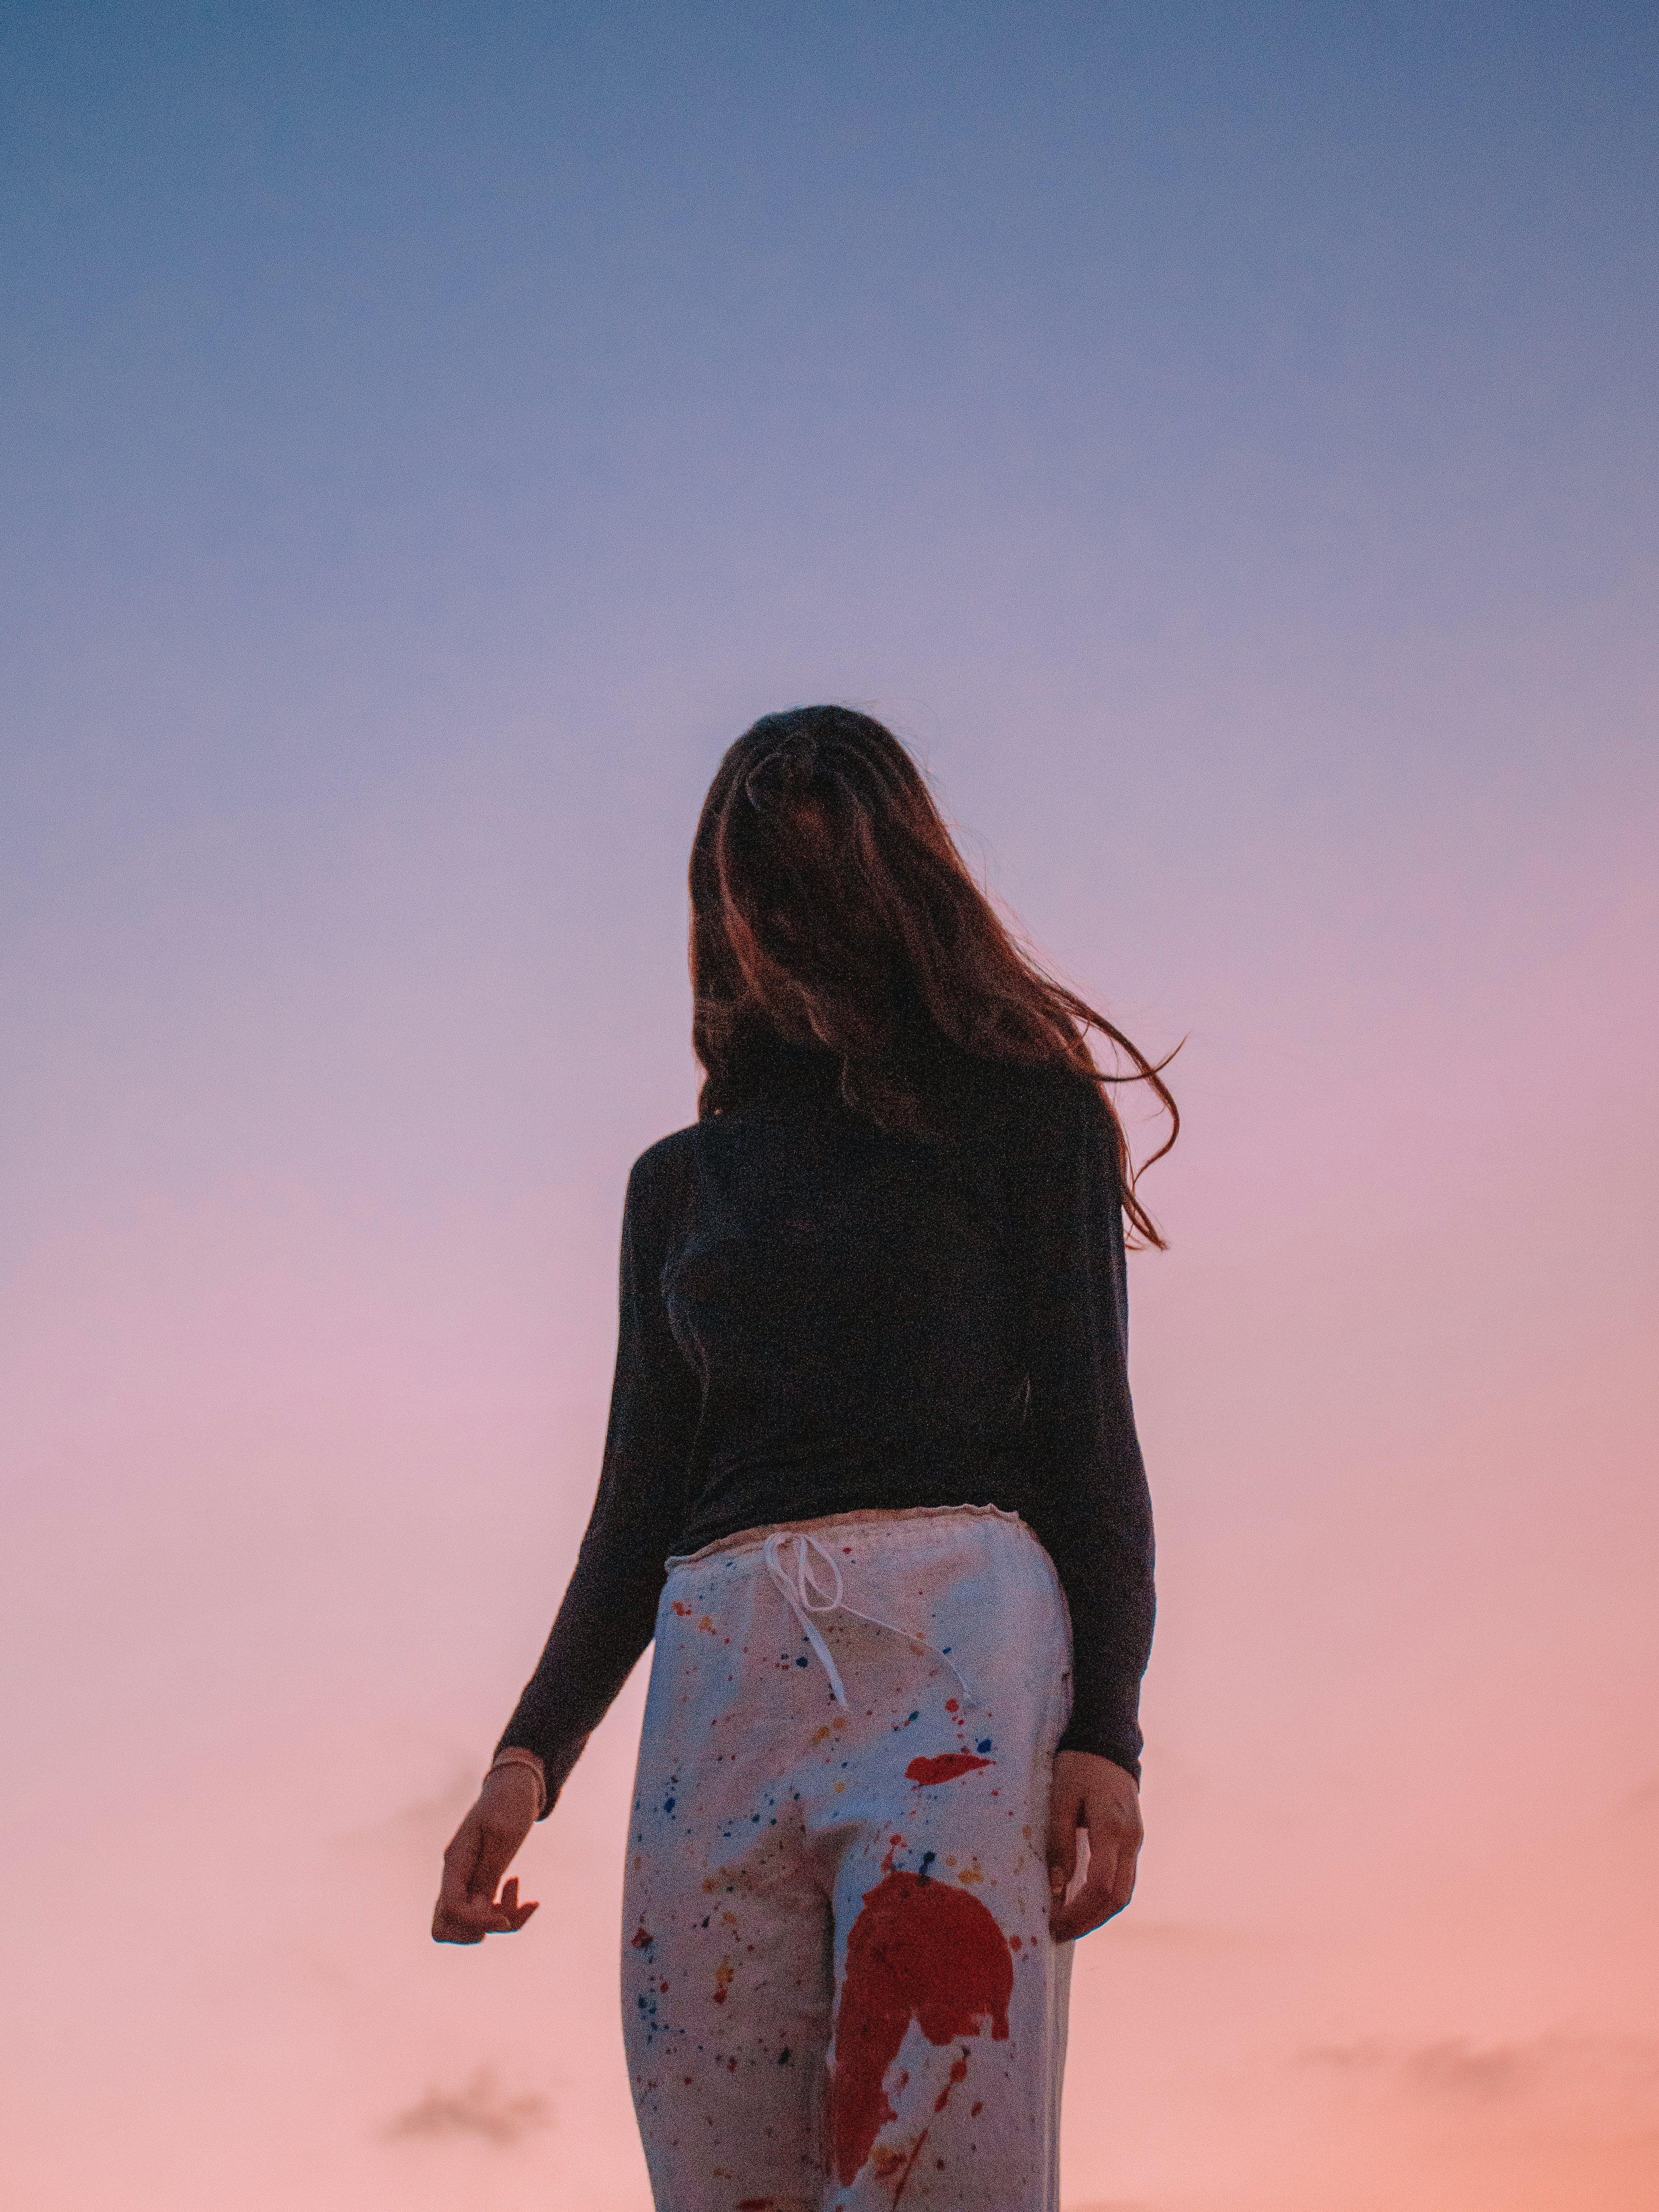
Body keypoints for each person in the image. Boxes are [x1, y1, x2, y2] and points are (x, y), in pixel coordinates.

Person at [431, 706, 1176, 2212]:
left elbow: (1092, 1439)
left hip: (957, 1643)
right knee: (725, 2178)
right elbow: (634, 1500)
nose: (785, 911)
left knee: (934, 2159)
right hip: (719, 1672)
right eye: (753, 876)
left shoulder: (1024, 1117)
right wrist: (526, 1760)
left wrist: (1106, 1729)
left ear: (897, 877)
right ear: (720, 909)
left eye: (818, 866)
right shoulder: (678, 1186)